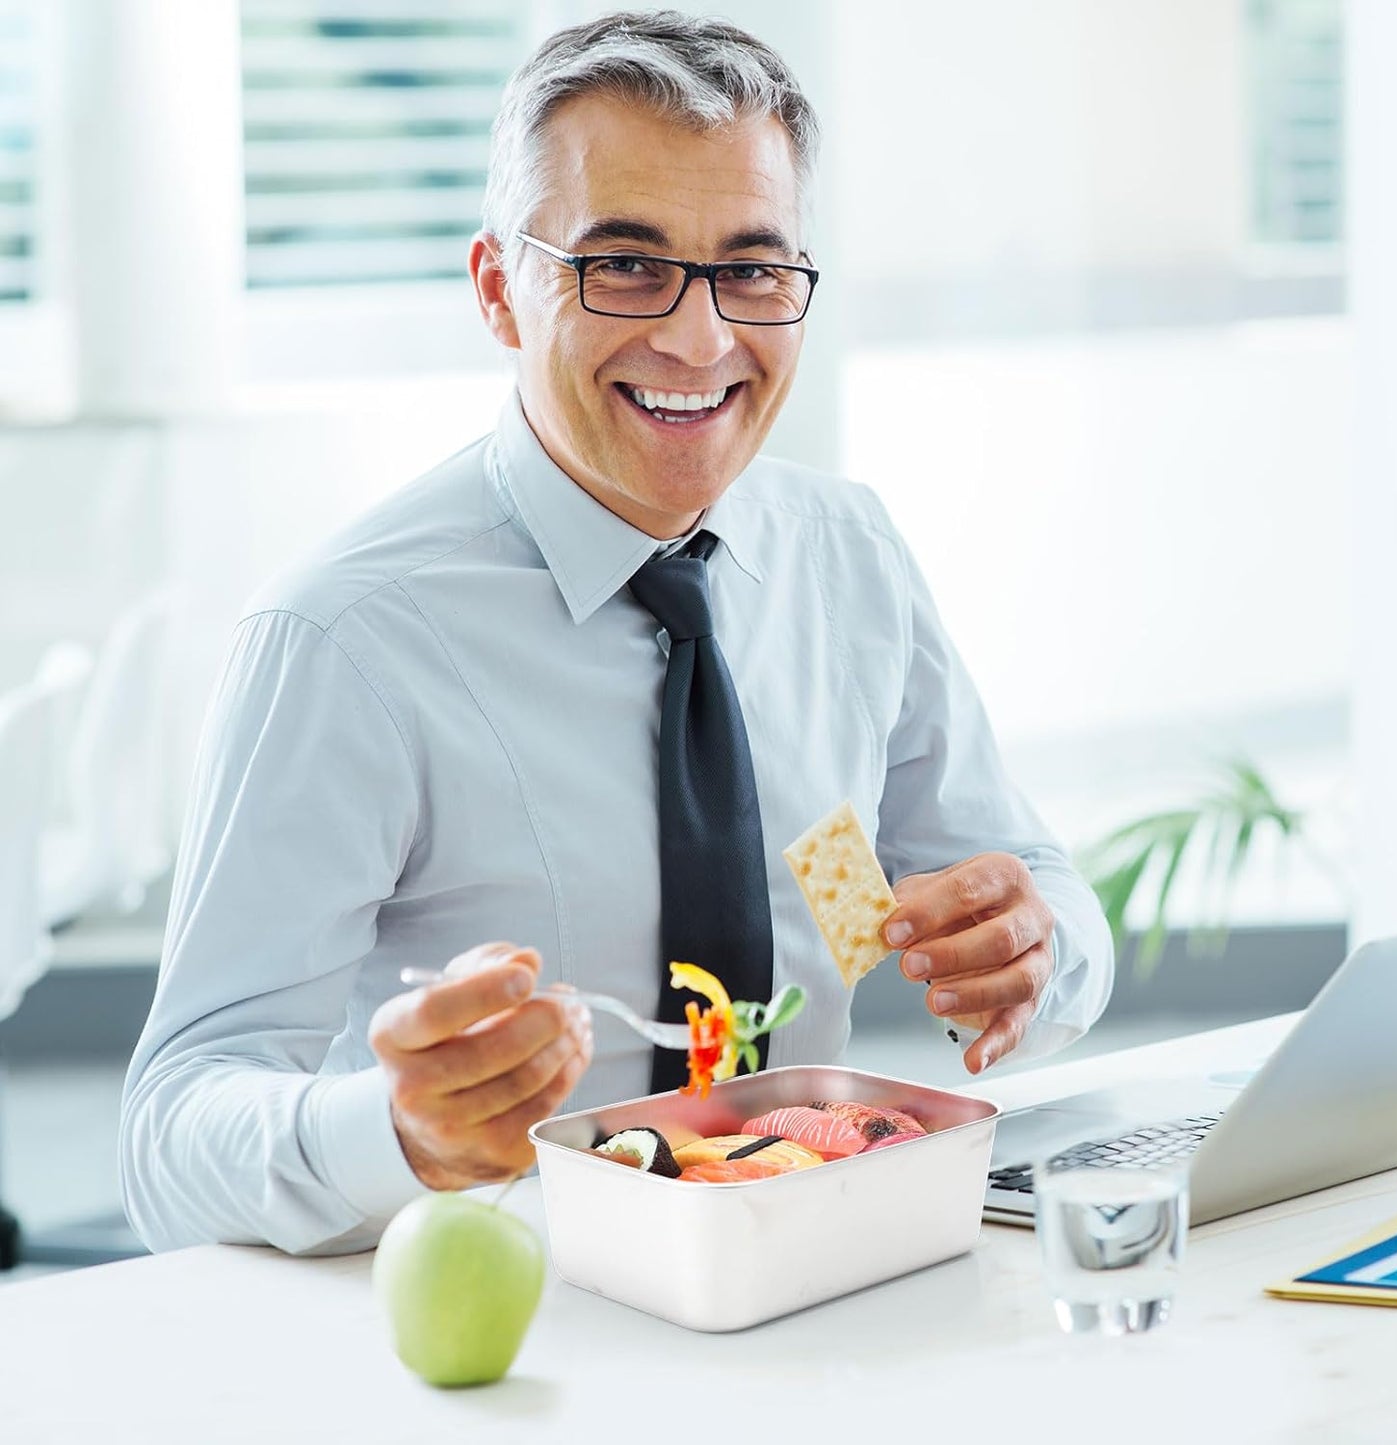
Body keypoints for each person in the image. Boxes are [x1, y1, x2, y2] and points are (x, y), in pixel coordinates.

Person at [120, 10, 1113, 1257]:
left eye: (751, 269)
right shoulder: (342, 640)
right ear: (499, 290)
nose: (699, 339)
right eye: (625, 265)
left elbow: (1034, 883)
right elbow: (167, 1135)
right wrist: (397, 1130)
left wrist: (1040, 950)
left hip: (816, 1282)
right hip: (507, 1329)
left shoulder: (848, 557)